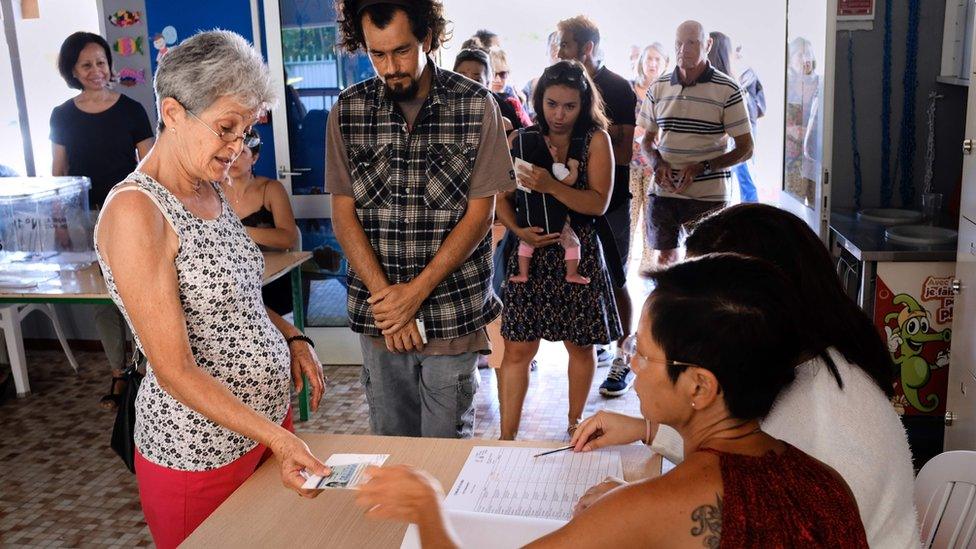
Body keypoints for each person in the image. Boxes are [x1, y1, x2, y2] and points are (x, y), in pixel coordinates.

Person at [354, 254, 869, 548]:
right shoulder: (827, 485)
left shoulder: (653, 506)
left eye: (642, 355)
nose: (632, 369)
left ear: (699, 387)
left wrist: (428, 510)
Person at [93, 31, 329, 548]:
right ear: (173, 113)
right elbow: (174, 369)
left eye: (244, 132)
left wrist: (289, 335)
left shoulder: (210, 187)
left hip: (264, 428)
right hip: (199, 452)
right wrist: (279, 438)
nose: (237, 148)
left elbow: (235, 300)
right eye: (226, 128)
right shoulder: (138, 210)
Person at [571, 204, 920, 548]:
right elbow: (745, 454)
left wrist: (647, 513)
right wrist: (650, 433)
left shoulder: (827, 422)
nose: (633, 364)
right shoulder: (805, 370)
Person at [328, 0, 515, 438]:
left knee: (443, 453)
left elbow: (480, 214)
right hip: (383, 320)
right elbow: (343, 212)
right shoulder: (348, 110)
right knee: (393, 449)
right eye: (378, 54)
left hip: (451, 310)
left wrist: (416, 294)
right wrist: (391, 305)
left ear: (427, 39)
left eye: (402, 51)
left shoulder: (475, 105)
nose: (391, 67)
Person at [495, 60, 620, 439]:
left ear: (584, 104)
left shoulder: (597, 140)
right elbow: (501, 199)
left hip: (576, 254)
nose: (559, 114)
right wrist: (519, 231)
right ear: (539, 101)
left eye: (569, 106)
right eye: (552, 104)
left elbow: (598, 203)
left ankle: (574, 424)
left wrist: (550, 185)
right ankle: (506, 436)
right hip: (528, 256)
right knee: (516, 350)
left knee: (580, 347)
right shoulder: (521, 140)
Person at [50, 31, 155, 410]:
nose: (96, 70)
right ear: (73, 71)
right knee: (102, 298)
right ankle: (117, 374)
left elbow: (149, 167)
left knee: (139, 291)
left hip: (129, 212)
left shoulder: (132, 110)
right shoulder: (62, 115)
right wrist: (60, 223)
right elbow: (59, 173)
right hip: (84, 217)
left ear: (110, 64)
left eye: (100, 62)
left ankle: (145, 370)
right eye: (86, 64)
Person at [555, 15, 638, 395]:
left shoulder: (618, 89)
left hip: (612, 203)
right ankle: (595, 345)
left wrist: (572, 166)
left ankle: (623, 355)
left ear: (587, 48)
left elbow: (621, 155)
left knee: (616, 277)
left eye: (566, 44)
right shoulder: (556, 84)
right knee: (579, 277)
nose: (559, 50)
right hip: (566, 208)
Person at [639, 20, 752, 270]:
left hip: (708, 195)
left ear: (708, 45)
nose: (684, 50)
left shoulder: (728, 89)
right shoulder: (658, 87)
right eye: (679, 43)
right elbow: (646, 141)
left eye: (692, 43)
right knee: (664, 262)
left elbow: (746, 148)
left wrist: (705, 166)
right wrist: (657, 163)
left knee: (704, 263)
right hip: (664, 192)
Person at [220, 138, 300, 314]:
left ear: (254, 158)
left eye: (242, 153)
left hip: (271, 281)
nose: (233, 158)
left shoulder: (271, 189)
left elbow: (289, 238)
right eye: (230, 151)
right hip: (230, 283)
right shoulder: (213, 192)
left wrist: (240, 231)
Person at [629, 43, 669, 272]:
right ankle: (622, 274)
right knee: (630, 218)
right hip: (632, 164)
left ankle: (647, 272)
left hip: (656, 166)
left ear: (664, 64)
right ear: (641, 61)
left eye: (657, 59)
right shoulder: (629, 89)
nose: (652, 64)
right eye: (649, 59)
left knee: (651, 224)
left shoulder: (666, 91)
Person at [708, 31, 759, 203]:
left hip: (726, 148)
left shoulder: (721, 84)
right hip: (731, 146)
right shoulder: (730, 84)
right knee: (746, 183)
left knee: (745, 182)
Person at [453, 47, 521, 132]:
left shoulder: (503, 110)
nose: (468, 86)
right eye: (462, 78)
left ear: (488, 83)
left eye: (477, 80)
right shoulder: (443, 109)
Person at [521, 31, 560, 121]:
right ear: (547, 51)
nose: (558, 50)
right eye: (554, 45)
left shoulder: (582, 85)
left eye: (562, 45)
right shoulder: (532, 85)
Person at [489, 47, 532, 127]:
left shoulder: (515, 97)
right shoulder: (481, 98)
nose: (498, 79)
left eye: (502, 74)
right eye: (493, 74)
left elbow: (527, 126)